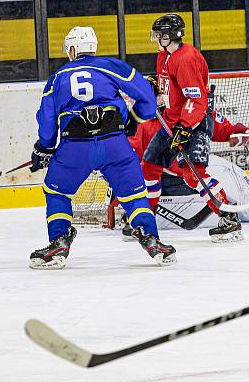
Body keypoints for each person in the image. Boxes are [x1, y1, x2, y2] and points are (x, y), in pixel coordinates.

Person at [29, 26, 175, 269]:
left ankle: (59, 242)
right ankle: (151, 239)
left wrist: (43, 148)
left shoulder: (58, 77)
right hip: (115, 144)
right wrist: (133, 119)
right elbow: (148, 99)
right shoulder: (111, 66)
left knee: (57, 192)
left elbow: (46, 120)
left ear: (73, 50)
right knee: (135, 196)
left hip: (75, 148)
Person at [141, 13, 243, 243]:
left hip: (194, 123)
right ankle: (144, 220)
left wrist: (186, 129)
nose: (156, 39)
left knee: (192, 175)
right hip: (171, 122)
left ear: (170, 36)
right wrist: (156, 88)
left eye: (159, 35)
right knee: (150, 165)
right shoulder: (164, 56)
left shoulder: (186, 58)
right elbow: (168, 89)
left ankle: (229, 219)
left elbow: (196, 99)